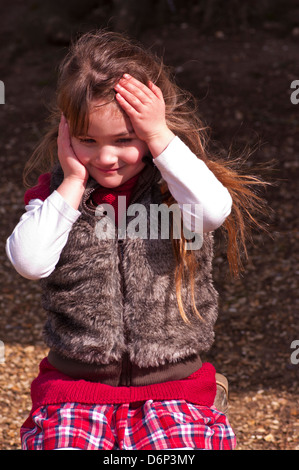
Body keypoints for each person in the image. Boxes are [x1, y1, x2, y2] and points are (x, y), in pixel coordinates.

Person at [6, 29, 267, 451]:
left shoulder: (176, 188)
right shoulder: (59, 197)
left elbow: (214, 210)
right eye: (87, 141)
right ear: (66, 134)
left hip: (174, 385)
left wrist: (161, 137)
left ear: (147, 135)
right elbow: (30, 262)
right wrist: (73, 180)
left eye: (125, 140)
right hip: (76, 388)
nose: (105, 158)